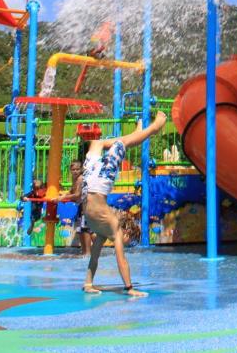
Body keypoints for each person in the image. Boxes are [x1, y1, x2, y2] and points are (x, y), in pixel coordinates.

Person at [80, 111, 167, 297]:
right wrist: (130, 288)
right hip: (96, 184)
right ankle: (153, 128)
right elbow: (122, 259)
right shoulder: (113, 227)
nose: (126, 244)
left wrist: (89, 283)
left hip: (92, 184)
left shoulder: (103, 232)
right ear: (126, 231)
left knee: (98, 143)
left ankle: (139, 132)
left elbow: (94, 257)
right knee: (119, 143)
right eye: (129, 239)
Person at [59, 160, 91, 255]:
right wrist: (64, 194)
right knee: (80, 230)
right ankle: (84, 251)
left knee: (85, 230)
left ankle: (88, 252)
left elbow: (77, 194)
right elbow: (72, 191)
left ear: (81, 169)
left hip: (85, 206)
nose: (75, 171)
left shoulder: (80, 179)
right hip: (79, 206)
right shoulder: (74, 178)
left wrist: (64, 197)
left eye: (77, 169)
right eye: (73, 169)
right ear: (70, 170)